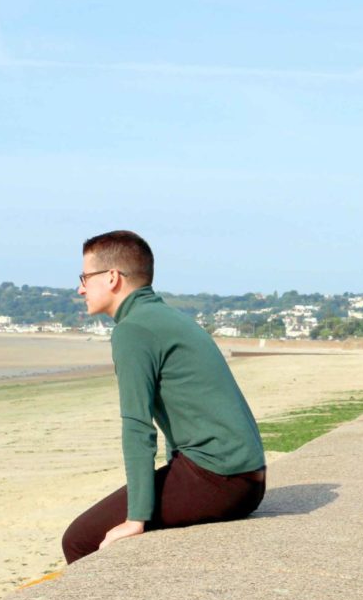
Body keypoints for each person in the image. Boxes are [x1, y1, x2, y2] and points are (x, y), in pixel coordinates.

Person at [62, 230, 266, 564]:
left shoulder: (133, 330)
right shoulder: (168, 318)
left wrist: (136, 518)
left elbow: (138, 427)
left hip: (220, 480)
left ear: (112, 277)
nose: (80, 289)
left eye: (85, 278)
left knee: (79, 540)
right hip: (247, 479)